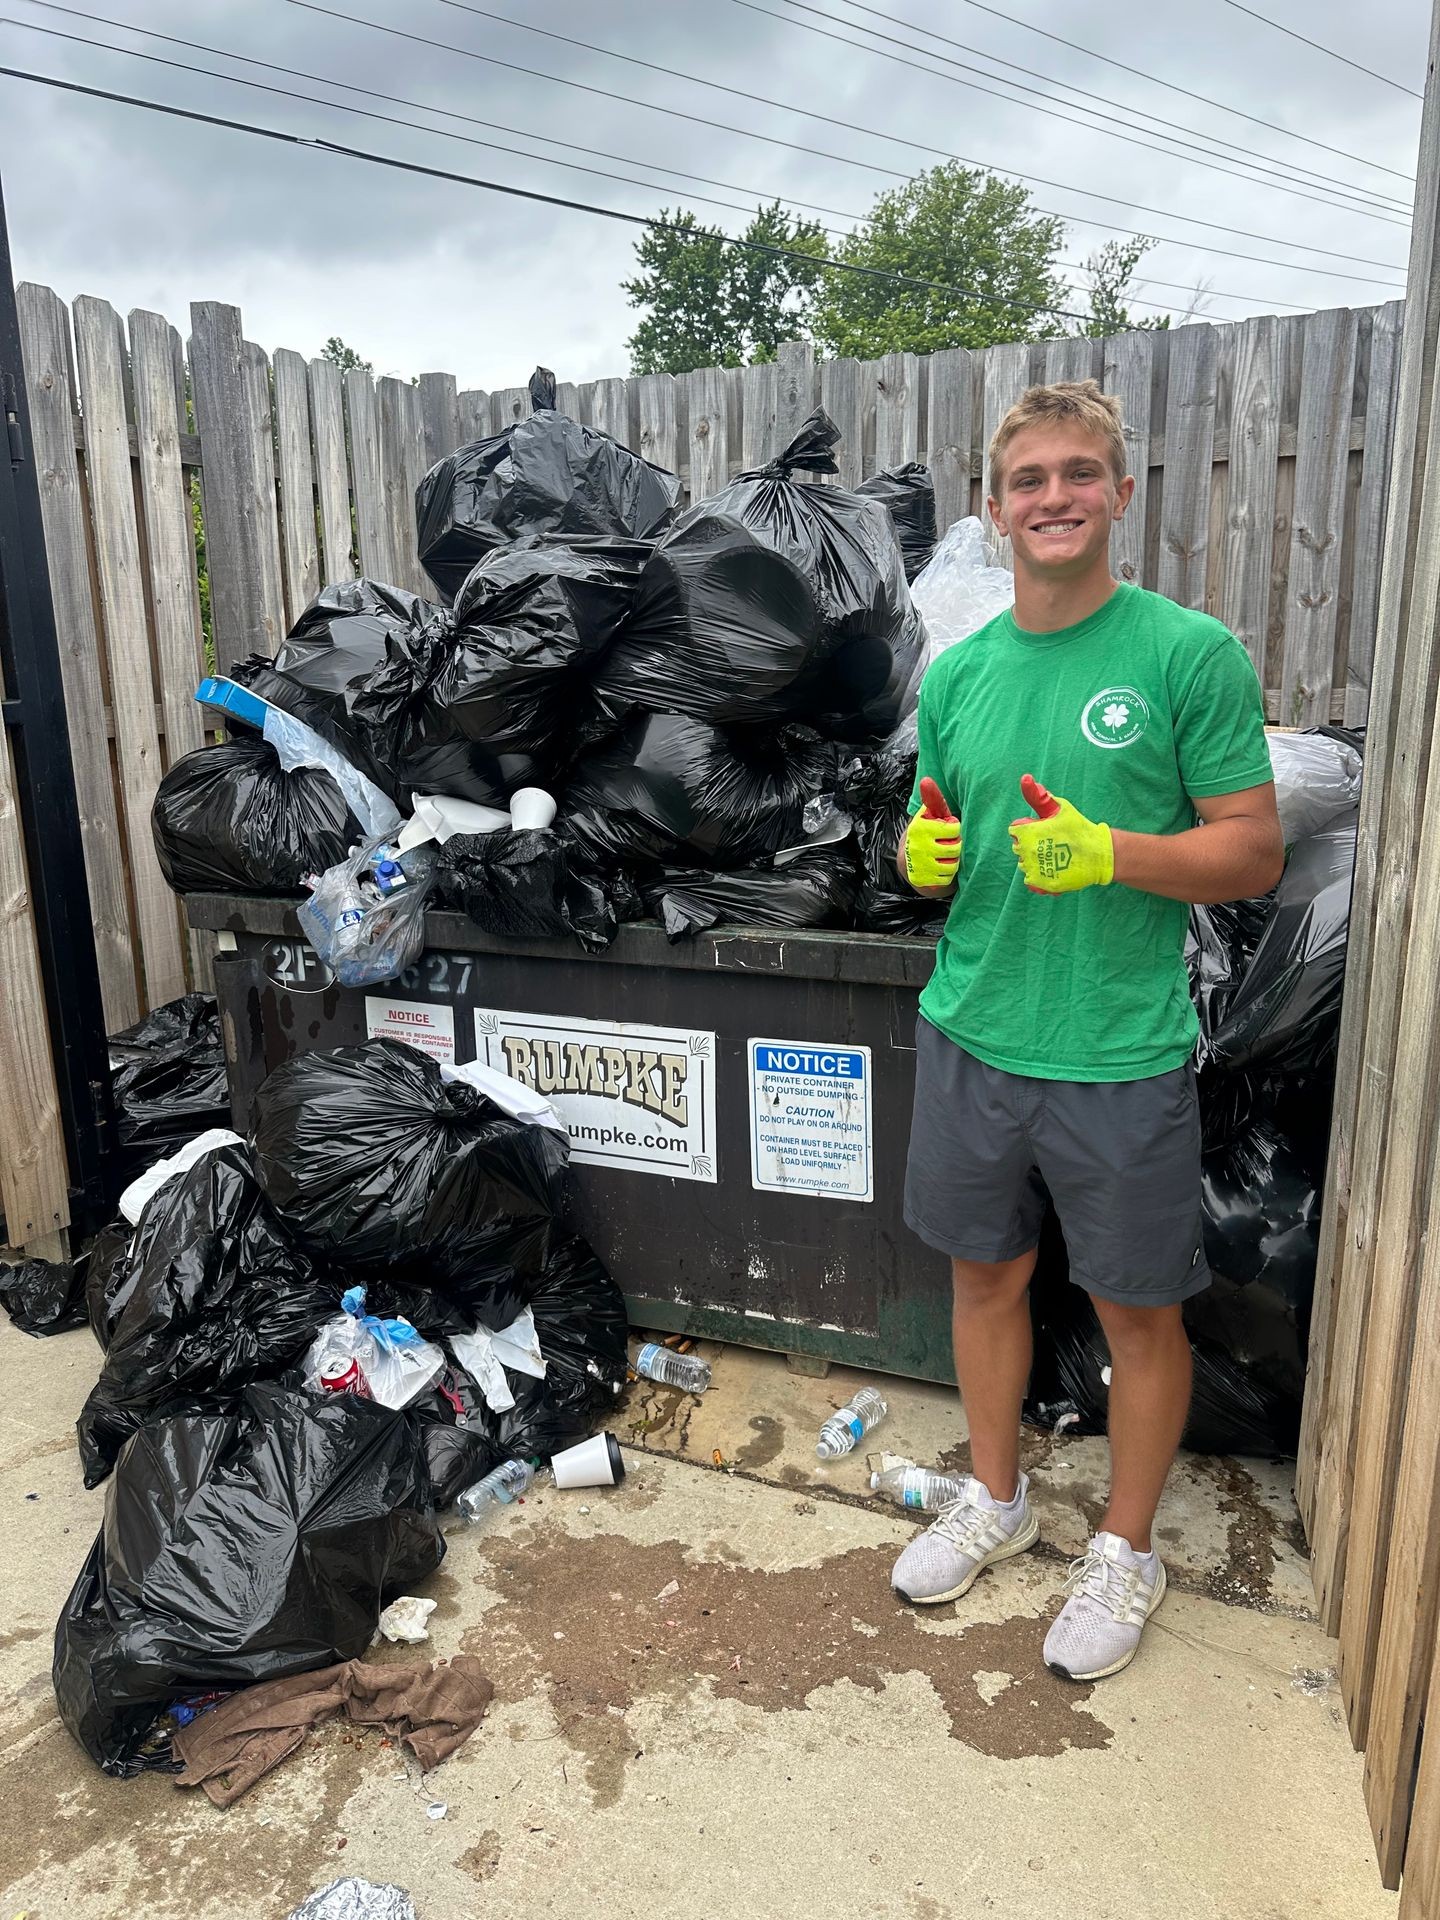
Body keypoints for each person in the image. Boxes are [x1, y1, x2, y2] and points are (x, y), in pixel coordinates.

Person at [891, 379, 1283, 1682]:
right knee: (985, 1278)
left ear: (1120, 493)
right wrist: (925, 858)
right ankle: (994, 1497)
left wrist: (1107, 849)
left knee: (1137, 1316)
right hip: (971, 1035)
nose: (1052, 497)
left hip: (1117, 1052)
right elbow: (940, 855)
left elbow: (1252, 853)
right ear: (995, 509)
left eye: (1077, 474)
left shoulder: (1186, 655)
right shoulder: (961, 675)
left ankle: (1124, 1551)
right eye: (1028, 480)